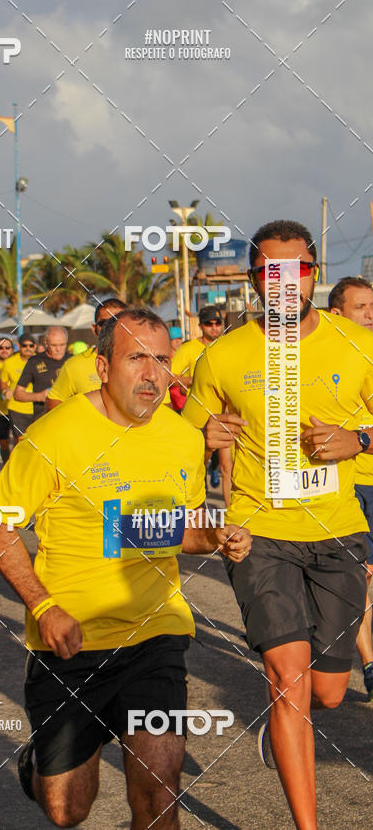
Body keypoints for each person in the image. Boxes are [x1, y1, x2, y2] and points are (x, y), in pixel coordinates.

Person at [0, 307, 250, 829]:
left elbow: (180, 531)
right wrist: (44, 607)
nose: (152, 374)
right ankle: (41, 762)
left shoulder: (180, 438)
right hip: (72, 638)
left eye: (163, 360)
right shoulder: (55, 435)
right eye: (136, 359)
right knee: (67, 809)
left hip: (156, 633)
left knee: (157, 794)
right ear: (103, 367)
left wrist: (215, 537)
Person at [183, 220, 372, 829]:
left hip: (338, 528)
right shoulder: (225, 354)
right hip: (257, 530)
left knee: (330, 693)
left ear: (315, 275)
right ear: (254, 279)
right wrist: (201, 435)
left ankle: (288, 724)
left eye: (300, 270)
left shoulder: (358, 344)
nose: (286, 283)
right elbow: (179, 435)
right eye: (272, 271)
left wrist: (358, 438)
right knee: (289, 681)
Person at [328, 276, 373, 700]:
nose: (371, 315)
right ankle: (371, 663)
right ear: (337, 314)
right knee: (361, 579)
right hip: (350, 483)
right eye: (362, 308)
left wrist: (362, 436)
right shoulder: (323, 360)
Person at [171, 305, 225, 488]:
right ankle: (199, 494)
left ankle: (214, 469)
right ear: (201, 326)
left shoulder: (227, 346)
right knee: (197, 459)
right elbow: (169, 376)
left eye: (218, 323)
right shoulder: (188, 349)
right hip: (197, 413)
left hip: (223, 412)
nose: (214, 327)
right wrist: (192, 380)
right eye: (209, 323)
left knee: (225, 461)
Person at [45, 298, 126, 409]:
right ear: (94, 329)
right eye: (105, 323)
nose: (111, 328)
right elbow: (54, 401)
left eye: (117, 322)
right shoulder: (74, 365)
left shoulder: (144, 362)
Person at [13, 326, 69, 425]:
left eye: (62, 345)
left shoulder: (73, 361)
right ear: (46, 343)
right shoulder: (35, 361)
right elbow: (17, 394)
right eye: (54, 345)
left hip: (69, 420)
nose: (58, 349)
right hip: (43, 421)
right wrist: (39, 396)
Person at [1, 333, 36, 441]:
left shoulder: (41, 361)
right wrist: (4, 391)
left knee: (35, 440)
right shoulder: (9, 362)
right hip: (16, 407)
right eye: (24, 346)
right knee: (20, 440)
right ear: (19, 346)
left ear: (35, 346)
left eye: (31, 346)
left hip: (37, 407)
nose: (28, 348)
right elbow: (3, 382)